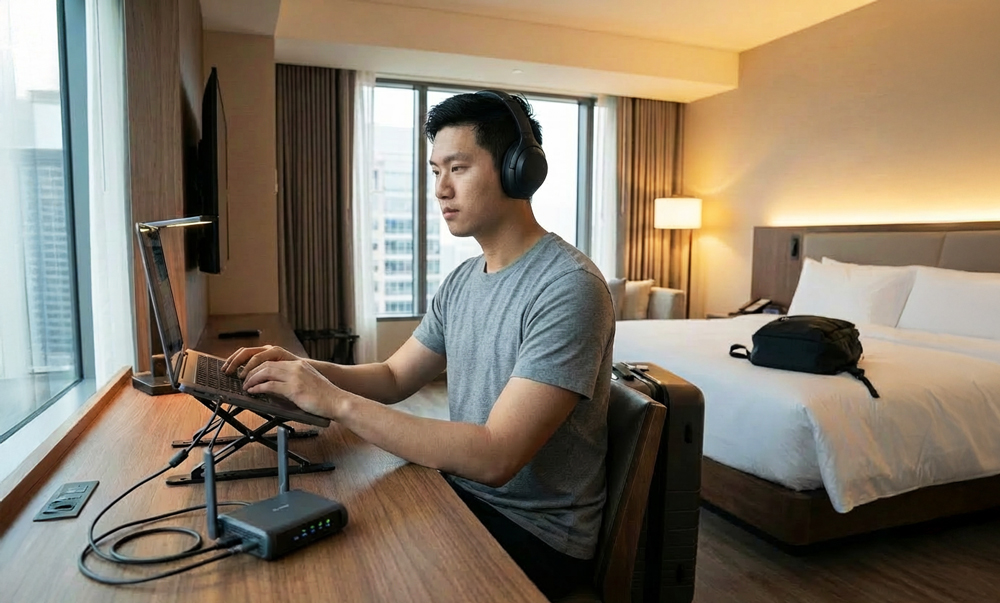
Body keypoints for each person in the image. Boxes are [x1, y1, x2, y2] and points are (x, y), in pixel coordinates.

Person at [223, 91, 615, 600]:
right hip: (462, 490)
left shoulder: (569, 287)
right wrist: (301, 370)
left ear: (518, 171)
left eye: (458, 168)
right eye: (435, 172)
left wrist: (336, 404)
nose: (441, 189)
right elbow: (392, 377)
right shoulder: (462, 280)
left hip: (535, 532)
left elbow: (497, 456)